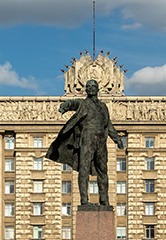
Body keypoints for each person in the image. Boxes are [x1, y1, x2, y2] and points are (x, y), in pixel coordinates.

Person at [46, 79, 125, 207]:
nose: (90, 88)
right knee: (83, 169)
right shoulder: (83, 103)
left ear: (97, 89)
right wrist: (63, 107)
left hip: (100, 141)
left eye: (93, 86)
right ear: (86, 90)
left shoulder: (103, 107)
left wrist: (118, 140)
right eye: (88, 87)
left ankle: (104, 200)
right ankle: (84, 200)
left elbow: (108, 125)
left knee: (103, 171)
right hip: (86, 139)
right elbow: (72, 103)